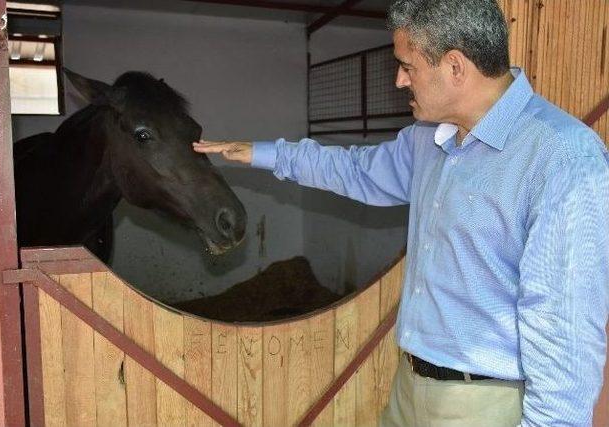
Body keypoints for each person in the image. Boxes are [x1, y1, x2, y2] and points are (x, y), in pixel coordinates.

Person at [193, 0, 609, 425]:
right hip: (410, 385)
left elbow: (566, 334)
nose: (398, 80)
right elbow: (354, 170)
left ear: (455, 67)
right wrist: (263, 154)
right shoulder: (428, 140)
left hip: (483, 404)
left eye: (407, 66)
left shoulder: (562, 159)